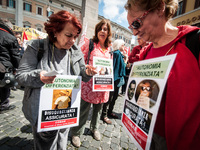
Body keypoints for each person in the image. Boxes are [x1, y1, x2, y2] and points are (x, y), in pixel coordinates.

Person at [16, 10, 97, 150]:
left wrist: (87, 72)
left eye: (75, 36)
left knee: (62, 140)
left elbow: (81, 75)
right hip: (43, 113)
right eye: (68, 35)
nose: (72, 40)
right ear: (55, 31)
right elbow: (21, 76)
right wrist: (39, 77)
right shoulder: (37, 47)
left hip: (66, 111)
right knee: (45, 144)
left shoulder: (75, 51)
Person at [125, 0, 200, 149]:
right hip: (147, 131)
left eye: (137, 23)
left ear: (160, 8)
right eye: (131, 27)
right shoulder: (145, 53)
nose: (134, 32)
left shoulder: (194, 42)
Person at [70, 19, 112, 148]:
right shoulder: (90, 44)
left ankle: (94, 128)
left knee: (98, 110)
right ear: (97, 31)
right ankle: (76, 133)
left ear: (108, 32)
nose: (102, 31)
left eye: (105, 29)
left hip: (103, 85)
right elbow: (79, 61)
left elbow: (110, 67)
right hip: (89, 85)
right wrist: (87, 68)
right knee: (83, 110)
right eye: (100, 29)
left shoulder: (109, 48)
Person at [101, 39, 127, 124]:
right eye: (123, 45)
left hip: (117, 79)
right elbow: (118, 67)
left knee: (114, 97)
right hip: (114, 79)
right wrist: (125, 61)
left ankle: (109, 112)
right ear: (119, 45)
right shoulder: (117, 53)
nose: (124, 46)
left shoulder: (119, 54)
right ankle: (104, 114)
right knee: (110, 97)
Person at [0, 18, 20, 112]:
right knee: (4, 86)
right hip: (4, 66)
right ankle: (4, 105)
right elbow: (15, 55)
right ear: (9, 28)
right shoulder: (9, 37)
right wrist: (17, 67)